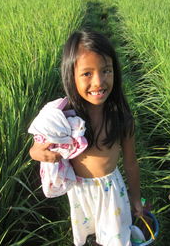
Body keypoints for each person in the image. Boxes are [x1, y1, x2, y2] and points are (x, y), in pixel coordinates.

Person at [29, 30, 142, 246]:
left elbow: (131, 162)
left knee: (114, 238)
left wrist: (136, 197)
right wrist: (41, 154)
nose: (98, 81)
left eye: (106, 70)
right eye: (87, 73)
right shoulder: (63, 117)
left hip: (111, 193)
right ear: (71, 75)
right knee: (90, 234)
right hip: (79, 191)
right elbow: (35, 149)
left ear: (115, 72)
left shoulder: (121, 116)